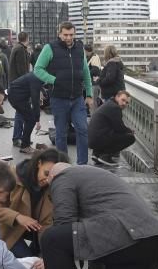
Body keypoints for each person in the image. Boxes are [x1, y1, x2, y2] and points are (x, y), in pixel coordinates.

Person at [33, 22, 93, 165]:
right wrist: (54, 80)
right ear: (59, 33)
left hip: (78, 98)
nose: (68, 38)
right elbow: (38, 69)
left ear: (74, 34)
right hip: (59, 98)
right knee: (61, 134)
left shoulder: (79, 48)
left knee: (83, 129)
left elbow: (85, 72)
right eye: (65, 35)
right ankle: (63, 165)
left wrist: (89, 94)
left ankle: (82, 165)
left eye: (71, 34)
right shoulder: (49, 48)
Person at [0, 148, 67, 258]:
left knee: (40, 262)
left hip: (34, 230)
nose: (47, 180)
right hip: (6, 229)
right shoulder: (12, 176)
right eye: (46, 173)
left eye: (52, 177)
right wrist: (18, 217)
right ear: (39, 163)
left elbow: (47, 223)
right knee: (28, 264)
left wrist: (45, 256)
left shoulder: (53, 187)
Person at [88, 90, 135, 166]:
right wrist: (130, 131)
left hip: (92, 140)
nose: (124, 104)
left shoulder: (109, 104)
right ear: (117, 97)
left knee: (113, 133)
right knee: (130, 138)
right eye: (123, 100)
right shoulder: (115, 108)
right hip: (97, 139)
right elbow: (119, 127)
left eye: (127, 103)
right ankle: (105, 156)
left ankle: (97, 154)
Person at [7, 69, 43, 153]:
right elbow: (35, 101)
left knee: (28, 118)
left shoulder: (36, 74)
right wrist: (37, 120)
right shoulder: (36, 79)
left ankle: (25, 141)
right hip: (16, 97)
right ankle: (25, 146)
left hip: (18, 95)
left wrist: (41, 92)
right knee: (31, 119)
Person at [85, 44, 103, 112]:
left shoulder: (94, 57)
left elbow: (95, 70)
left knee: (93, 102)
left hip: (94, 83)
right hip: (91, 83)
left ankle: (94, 118)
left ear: (86, 51)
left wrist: (86, 74)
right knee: (92, 101)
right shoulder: (89, 57)